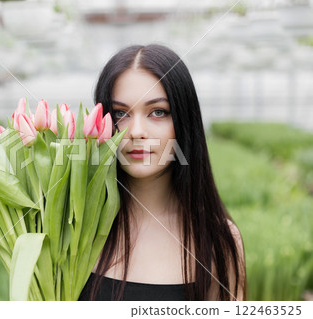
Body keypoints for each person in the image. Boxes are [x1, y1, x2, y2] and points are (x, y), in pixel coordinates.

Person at [78, 44, 246, 301]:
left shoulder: (218, 240)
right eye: (121, 113)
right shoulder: (74, 226)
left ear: (183, 122)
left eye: (158, 112)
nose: (136, 132)